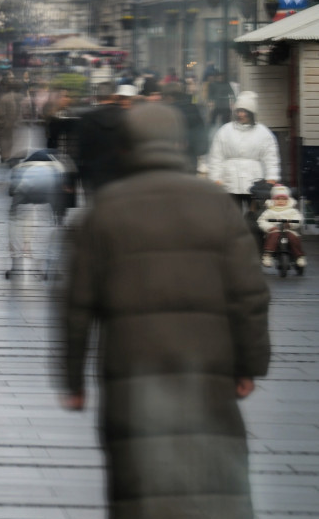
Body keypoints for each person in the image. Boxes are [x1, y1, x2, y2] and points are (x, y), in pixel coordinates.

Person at [61, 102, 270, 519]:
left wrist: (72, 379)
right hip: (206, 373)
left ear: (126, 148)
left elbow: (76, 306)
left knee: (138, 485)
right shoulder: (218, 206)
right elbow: (250, 295)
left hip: (132, 378)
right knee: (214, 477)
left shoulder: (102, 213)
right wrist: (249, 365)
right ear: (179, 144)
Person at [207, 91, 280, 209]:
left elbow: (271, 158)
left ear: (251, 113)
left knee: (255, 219)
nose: (241, 114)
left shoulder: (263, 133)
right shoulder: (225, 131)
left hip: (254, 185)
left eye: (244, 111)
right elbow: (216, 158)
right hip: (229, 184)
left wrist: (271, 178)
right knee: (232, 219)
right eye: (238, 111)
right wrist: (215, 179)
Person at [75, 84, 138, 197]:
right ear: (114, 96)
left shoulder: (86, 118)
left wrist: (77, 177)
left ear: (96, 97)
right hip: (122, 173)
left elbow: (81, 151)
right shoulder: (130, 117)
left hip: (94, 174)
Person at [258, 184, 307, 268]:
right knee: (273, 236)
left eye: (283, 199)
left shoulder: (291, 210)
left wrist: (291, 224)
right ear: (273, 200)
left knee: (293, 238)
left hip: (288, 230)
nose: (281, 201)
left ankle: (299, 256)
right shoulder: (270, 211)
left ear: (288, 200)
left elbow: (298, 218)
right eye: (278, 199)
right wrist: (269, 227)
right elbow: (261, 220)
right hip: (274, 230)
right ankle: (268, 255)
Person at [0, 79, 24, 165]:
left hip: (6, 124)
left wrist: (0, 123)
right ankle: (15, 155)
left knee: (5, 140)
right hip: (18, 123)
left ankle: (5, 156)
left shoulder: (3, 98)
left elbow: (0, 113)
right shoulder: (22, 97)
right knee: (16, 139)